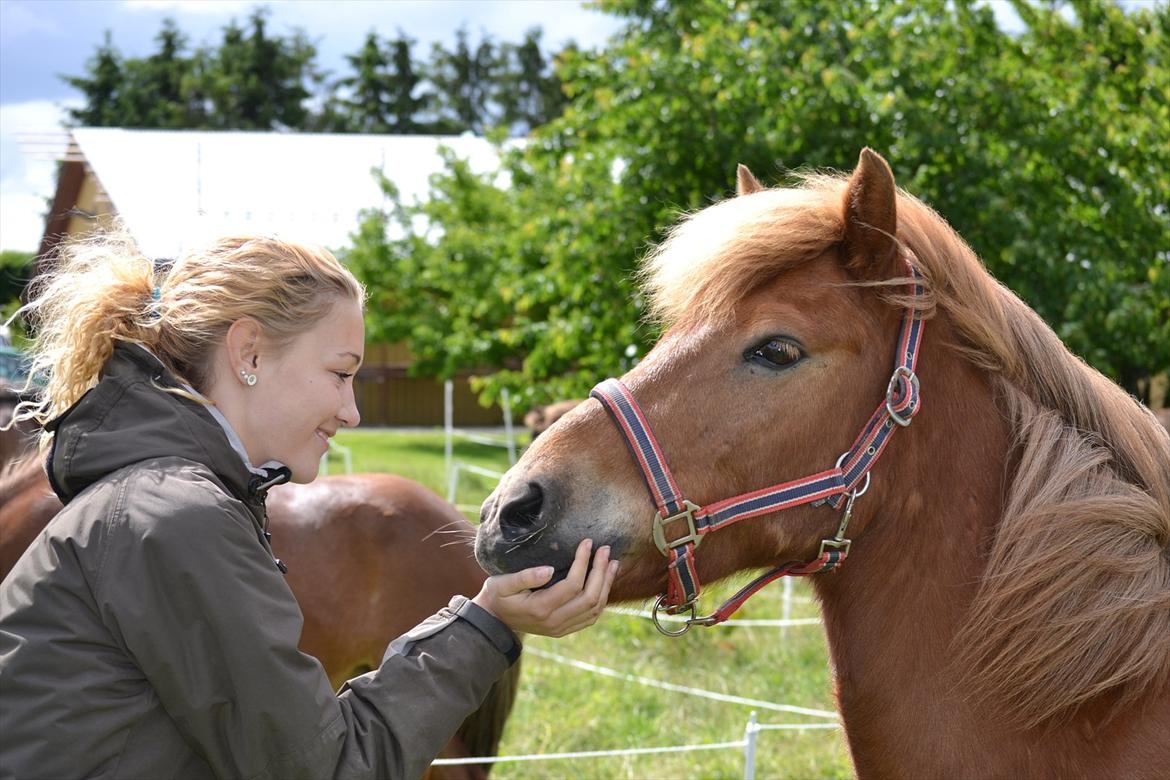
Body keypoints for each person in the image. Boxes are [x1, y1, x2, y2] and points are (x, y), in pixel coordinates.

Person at [0, 231, 618, 780]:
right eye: (340, 374)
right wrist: (488, 626)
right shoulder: (176, 517)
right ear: (249, 354)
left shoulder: (160, 499)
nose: (353, 412)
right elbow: (328, 767)